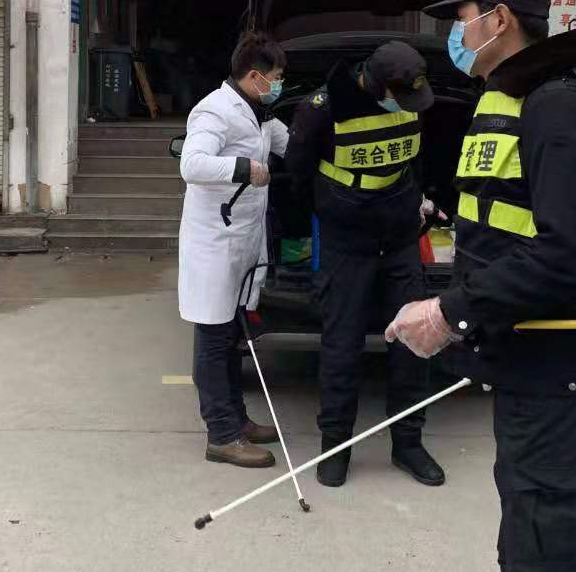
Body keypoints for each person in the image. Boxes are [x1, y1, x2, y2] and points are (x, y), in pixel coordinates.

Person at [386, 0, 576, 572]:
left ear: (499, 19)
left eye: (463, 19)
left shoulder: (560, 106)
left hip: (566, 384)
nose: (457, 35)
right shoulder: (523, 96)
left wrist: (450, 312)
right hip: (535, 376)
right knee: (533, 567)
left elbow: (566, 255)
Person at [284, 41, 445, 487]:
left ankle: (408, 444)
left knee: (414, 341)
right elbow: (298, 174)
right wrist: (335, 211)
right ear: (374, 85)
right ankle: (335, 447)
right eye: (399, 95)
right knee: (341, 347)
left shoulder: (410, 100)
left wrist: (420, 203)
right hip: (347, 241)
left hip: (400, 237)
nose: (406, 103)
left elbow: (416, 161)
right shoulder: (321, 109)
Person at [177, 32, 291, 469]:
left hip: (242, 239)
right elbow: (192, 164)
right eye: (276, 77)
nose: (279, 84)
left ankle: (238, 419)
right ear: (255, 75)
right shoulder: (214, 110)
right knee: (213, 336)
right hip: (214, 243)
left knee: (231, 336)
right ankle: (222, 435)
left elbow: (292, 144)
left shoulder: (260, 113)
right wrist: (245, 168)